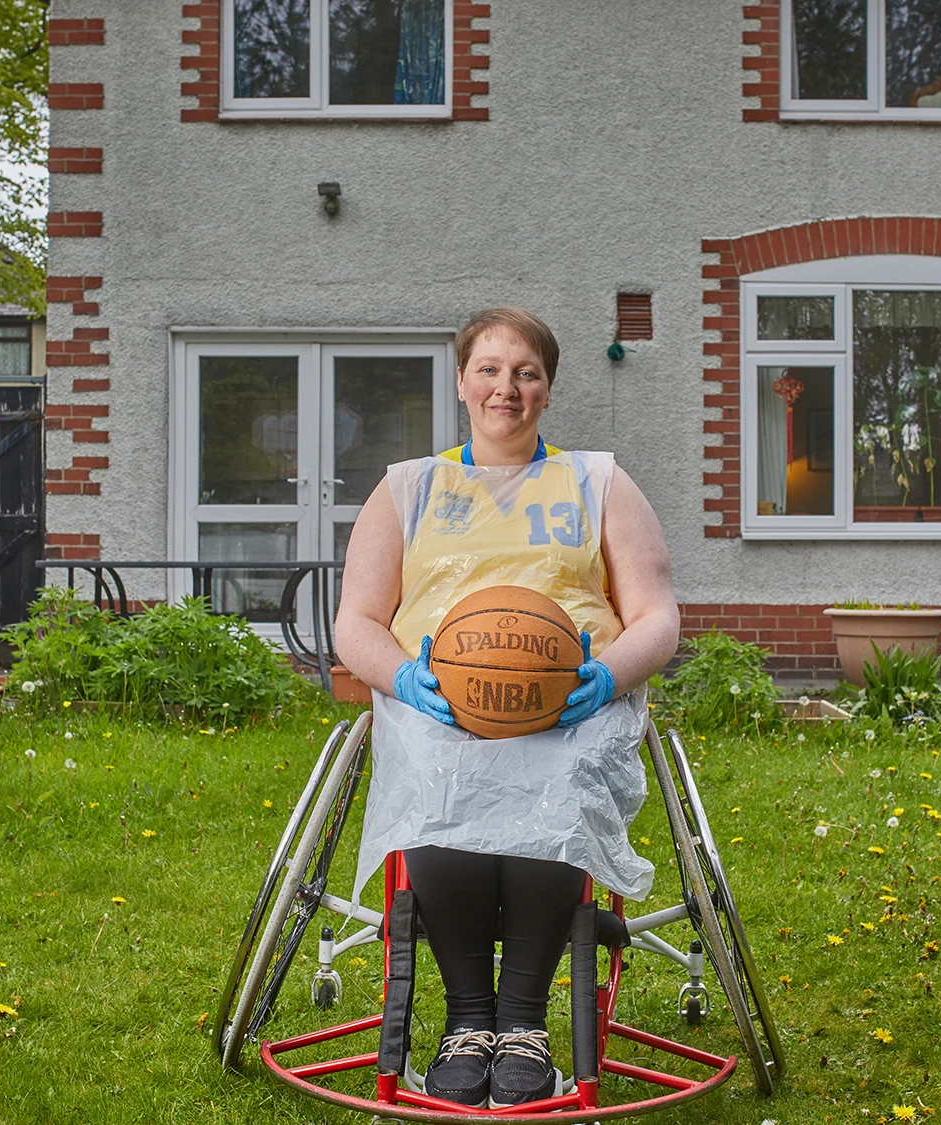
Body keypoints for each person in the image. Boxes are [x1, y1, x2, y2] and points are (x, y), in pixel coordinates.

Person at [336, 307, 679, 1107]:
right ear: (461, 381)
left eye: (525, 372)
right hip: (442, 704)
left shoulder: (598, 480)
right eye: (489, 369)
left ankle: (522, 1020)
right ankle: (467, 1019)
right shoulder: (409, 486)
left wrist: (608, 674)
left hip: (570, 706)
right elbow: (355, 621)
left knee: (558, 770)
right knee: (436, 765)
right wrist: (405, 678)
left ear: (548, 389)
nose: (506, 387)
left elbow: (658, 616)